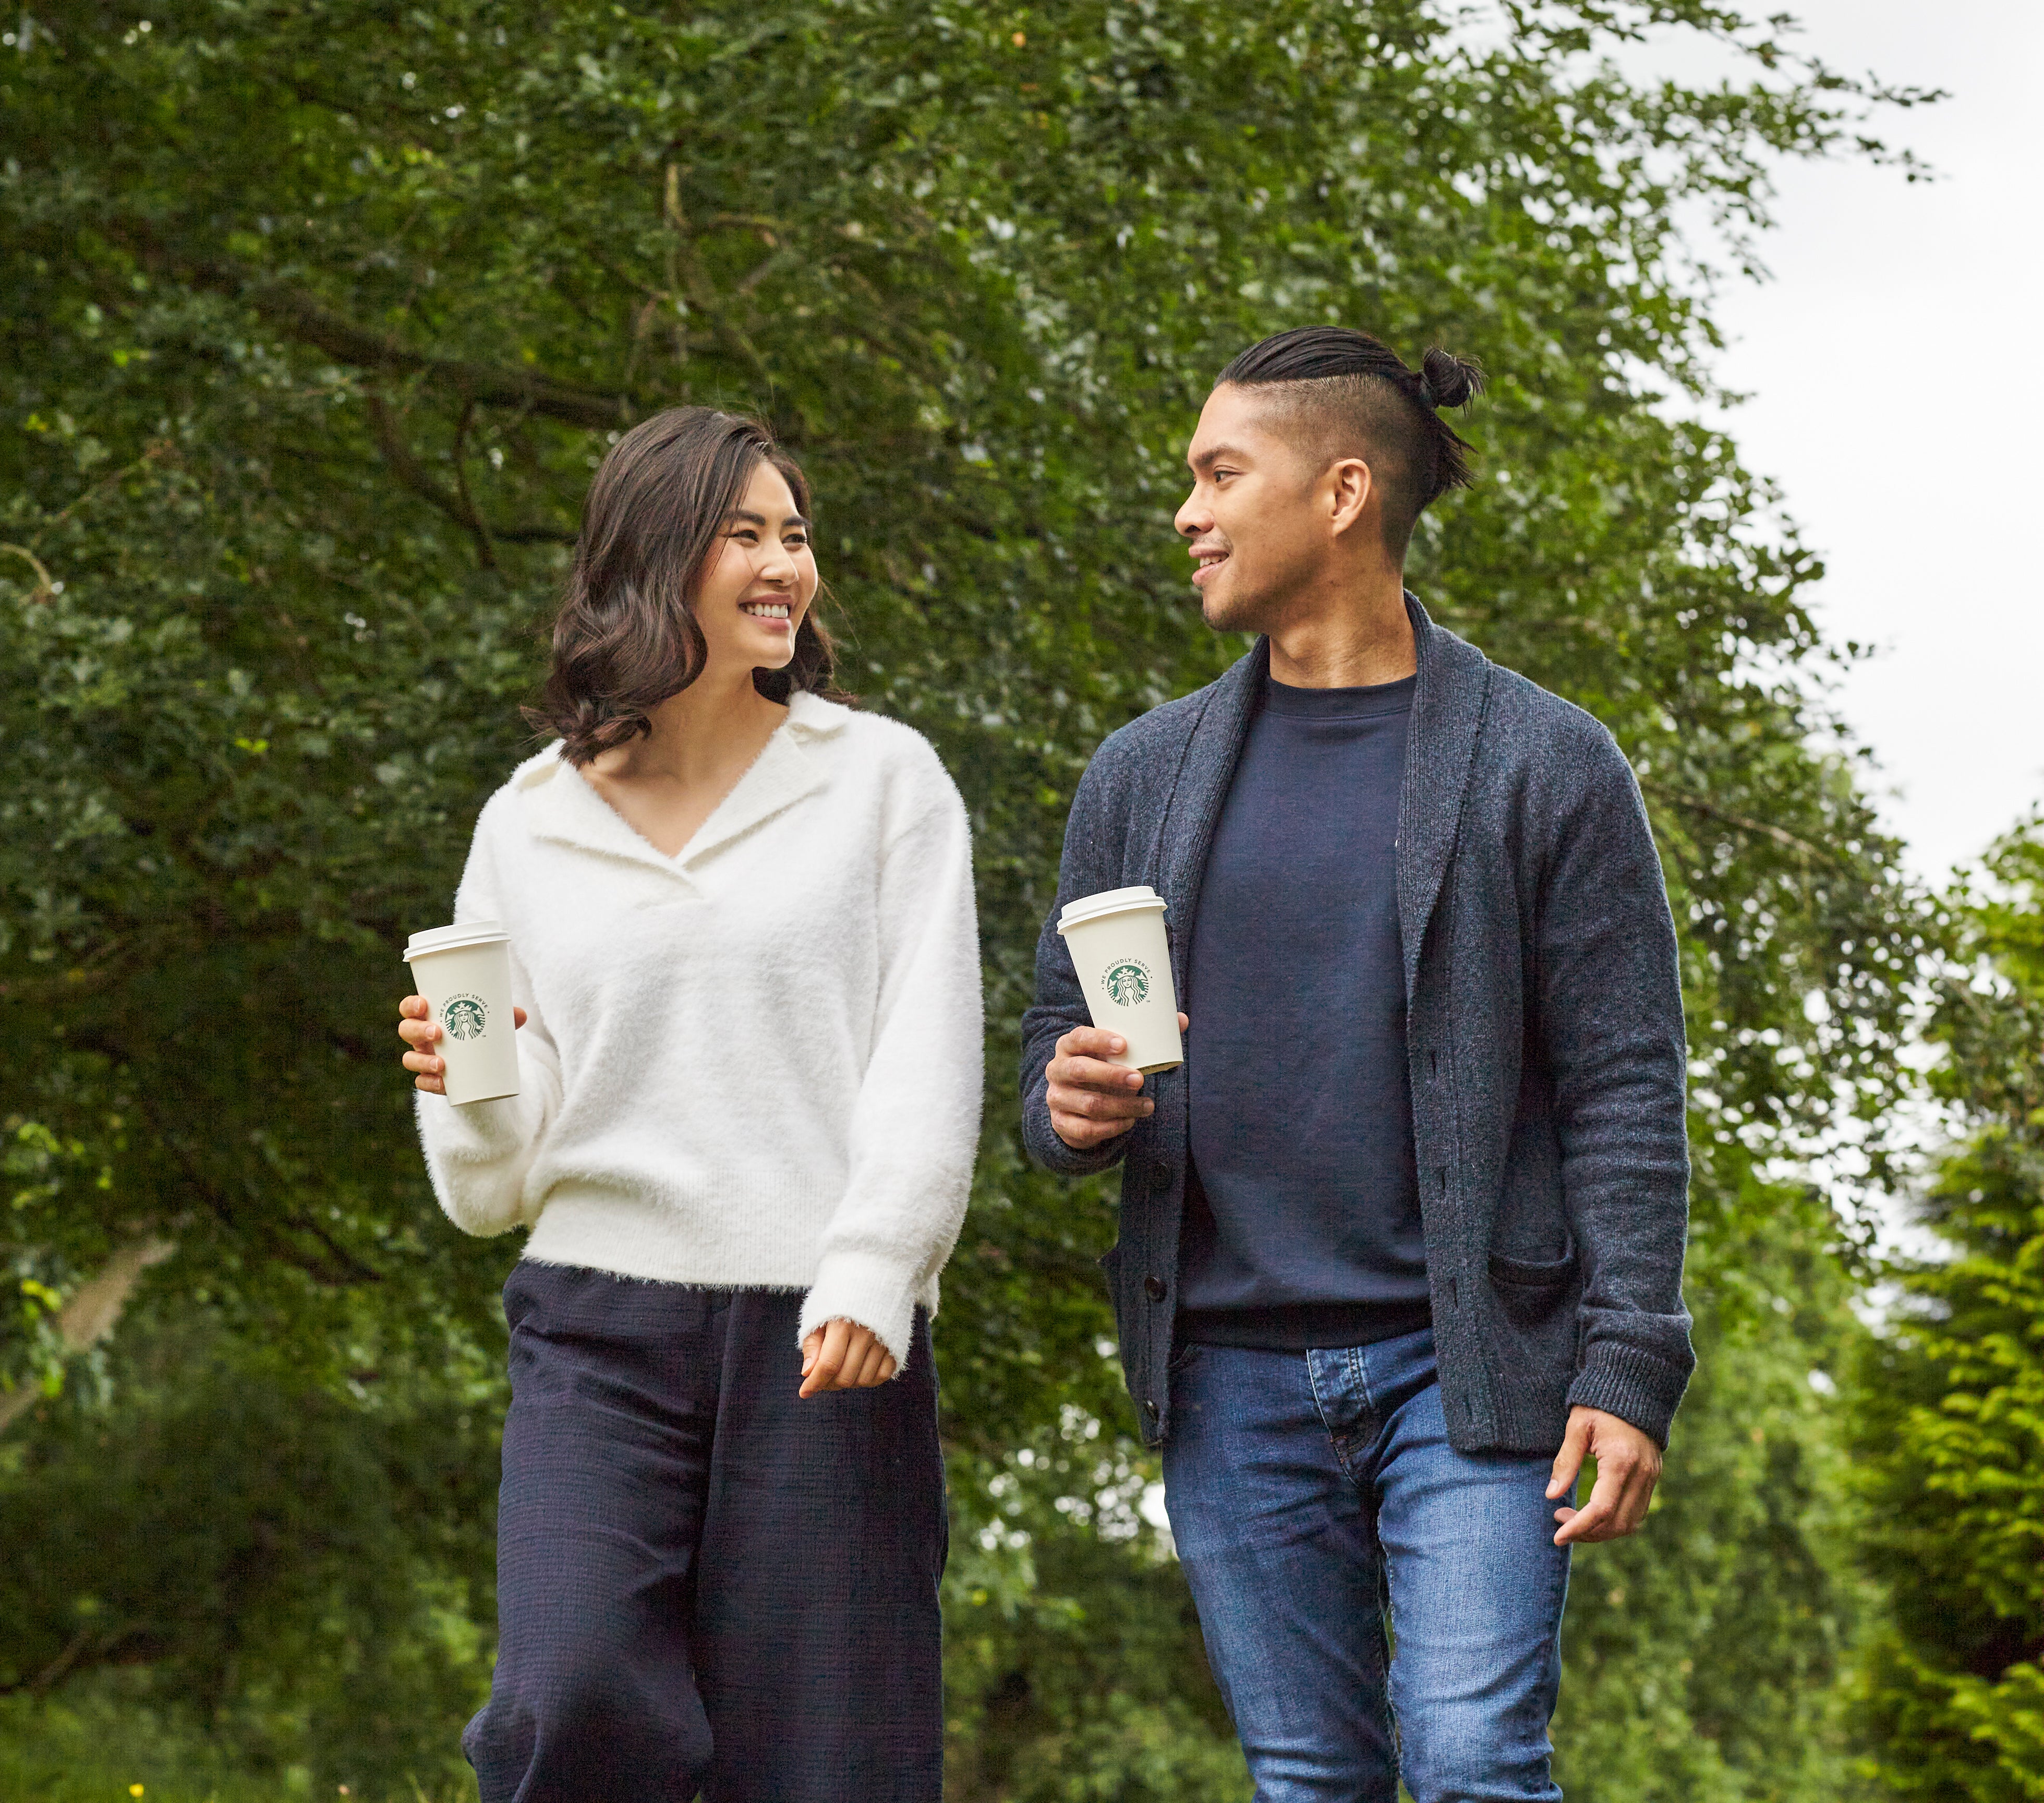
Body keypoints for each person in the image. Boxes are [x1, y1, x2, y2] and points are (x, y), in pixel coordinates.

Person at [1020, 328, 1692, 1800]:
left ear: (1338, 493)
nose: (1186, 512)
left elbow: (1627, 1085)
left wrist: (1632, 1361)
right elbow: (1045, 1057)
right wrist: (1068, 1109)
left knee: (1470, 1764)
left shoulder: (1547, 762)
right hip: (1225, 1379)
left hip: (1470, 1376)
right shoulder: (1138, 776)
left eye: (1217, 474)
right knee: (1308, 1781)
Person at [396, 406, 982, 1803]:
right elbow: (489, 1184)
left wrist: (875, 1266)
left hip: (825, 1337)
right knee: (565, 1697)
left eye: (798, 536)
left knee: (829, 1765)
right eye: (746, 535)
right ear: (657, 558)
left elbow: (926, 1048)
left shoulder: (883, 784)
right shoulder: (527, 822)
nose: (786, 565)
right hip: (596, 1326)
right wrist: (464, 1088)